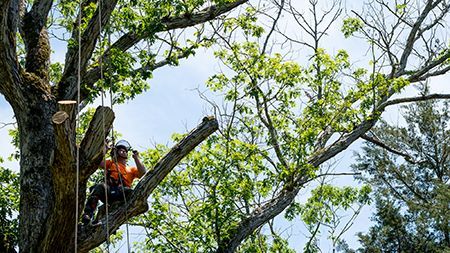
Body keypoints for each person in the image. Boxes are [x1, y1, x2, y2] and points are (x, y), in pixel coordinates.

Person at [81, 139, 146, 225]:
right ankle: (88, 214)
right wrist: (106, 149)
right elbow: (98, 162)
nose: (123, 151)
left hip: (121, 192)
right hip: (109, 190)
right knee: (99, 187)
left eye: (125, 151)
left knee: (131, 192)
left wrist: (136, 158)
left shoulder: (131, 169)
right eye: (120, 150)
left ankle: (112, 212)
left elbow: (142, 172)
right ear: (116, 152)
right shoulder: (111, 163)